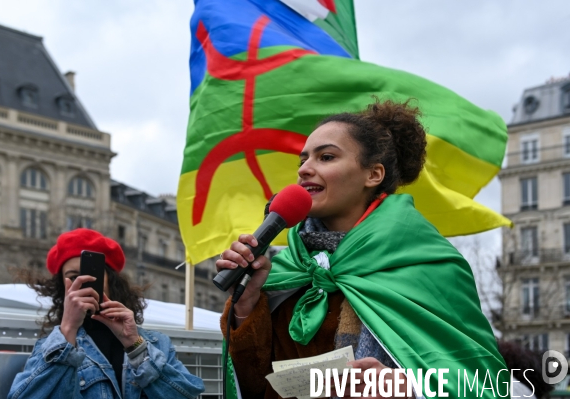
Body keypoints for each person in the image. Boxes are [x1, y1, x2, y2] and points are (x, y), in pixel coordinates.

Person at [216, 98, 509, 398]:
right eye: (302, 160)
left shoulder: (431, 264)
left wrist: (411, 389)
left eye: (326, 157)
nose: (305, 169)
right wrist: (246, 303)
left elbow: (486, 383)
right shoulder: (285, 270)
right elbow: (254, 386)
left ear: (373, 175)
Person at [8, 228, 205, 399]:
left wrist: (135, 346)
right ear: (63, 288)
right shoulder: (50, 348)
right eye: (74, 277)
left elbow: (187, 394)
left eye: (93, 275)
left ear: (110, 280)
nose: (84, 283)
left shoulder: (155, 343)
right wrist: (68, 330)